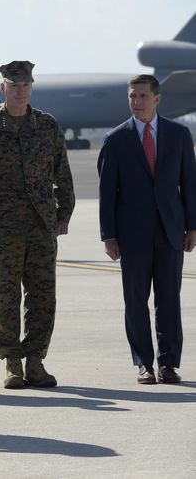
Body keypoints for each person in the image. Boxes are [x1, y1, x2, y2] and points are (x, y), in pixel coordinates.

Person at [0, 60, 75, 389]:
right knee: (7, 296)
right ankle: (12, 361)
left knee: (43, 295)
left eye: (25, 84)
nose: (20, 90)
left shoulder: (46, 125)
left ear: (31, 87)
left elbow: (62, 173)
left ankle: (36, 360)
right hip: (4, 225)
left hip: (42, 224)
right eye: (14, 85)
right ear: (3, 88)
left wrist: (63, 214)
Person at [97, 74, 196, 384]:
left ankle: (168, 363)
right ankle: (144, 363)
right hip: (132, 235)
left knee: (169, 300)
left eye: (142, 96)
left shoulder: (179, 135)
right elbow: (107, 193)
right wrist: (108, 234)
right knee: (136, 301)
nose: (136, 102)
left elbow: (189, 185)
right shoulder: (116, 139)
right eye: (132, 97)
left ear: (157, 99)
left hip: (170, 231)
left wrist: (192, 226)